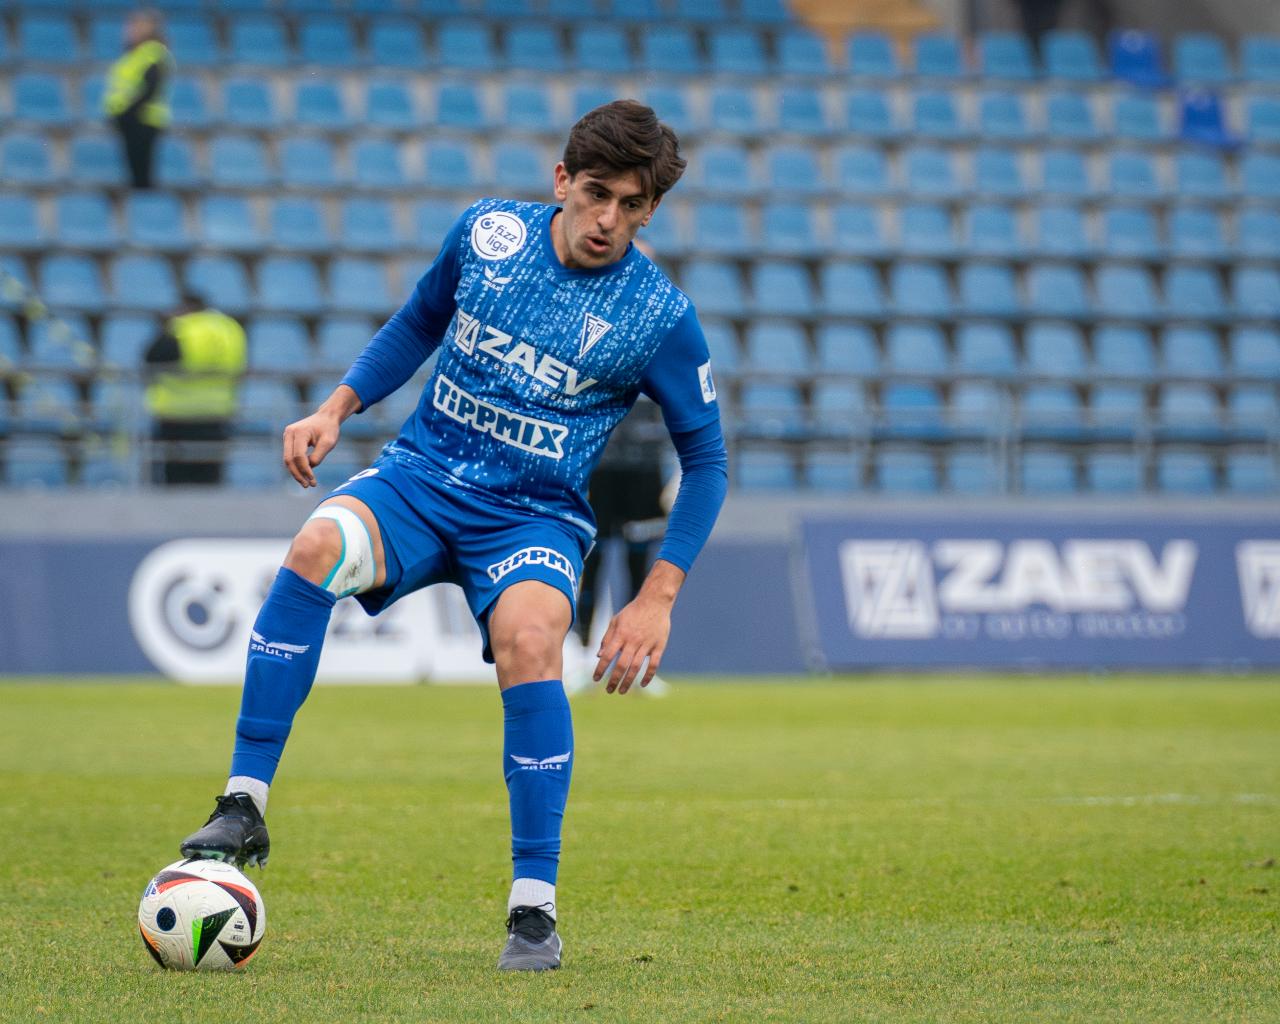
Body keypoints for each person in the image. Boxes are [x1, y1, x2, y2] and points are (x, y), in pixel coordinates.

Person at [177, 101, 728, 972]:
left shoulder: (658, 316)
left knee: (534, 639)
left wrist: (658, 596)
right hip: (420, 480)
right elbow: (418, 322)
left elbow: (708, 460)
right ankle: (242, 804)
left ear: (651, 210)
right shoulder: (488, 234)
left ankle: (533, 911)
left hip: (533, 516)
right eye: (596, 194)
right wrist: (336, 408)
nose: (607, 219)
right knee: (314, 549)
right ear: (561, 180)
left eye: (631, 205)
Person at [572, 397, 673, 662]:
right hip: (601, 471)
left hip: (644, 473)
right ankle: (582, 653)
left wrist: (677, 475)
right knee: (592, 565)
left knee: (638, 569)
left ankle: (634, 658)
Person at [144, 293, 246, 485]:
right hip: (218, 412)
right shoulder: (229, 328)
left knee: (176, 480)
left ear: (186, 307)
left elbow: (152, 358)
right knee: (210, 478)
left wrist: (164, 326)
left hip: (177, 413)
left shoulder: (181, 328)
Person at [103, 9, 172, 189]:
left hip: (142, 120)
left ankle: (145, 206)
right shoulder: (133, 54)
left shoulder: (153, 53)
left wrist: (127, 112)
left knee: (142, 175)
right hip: (129, 120)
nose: (130, 30)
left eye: (137, 26)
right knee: (134, 174)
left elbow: (150, 87)